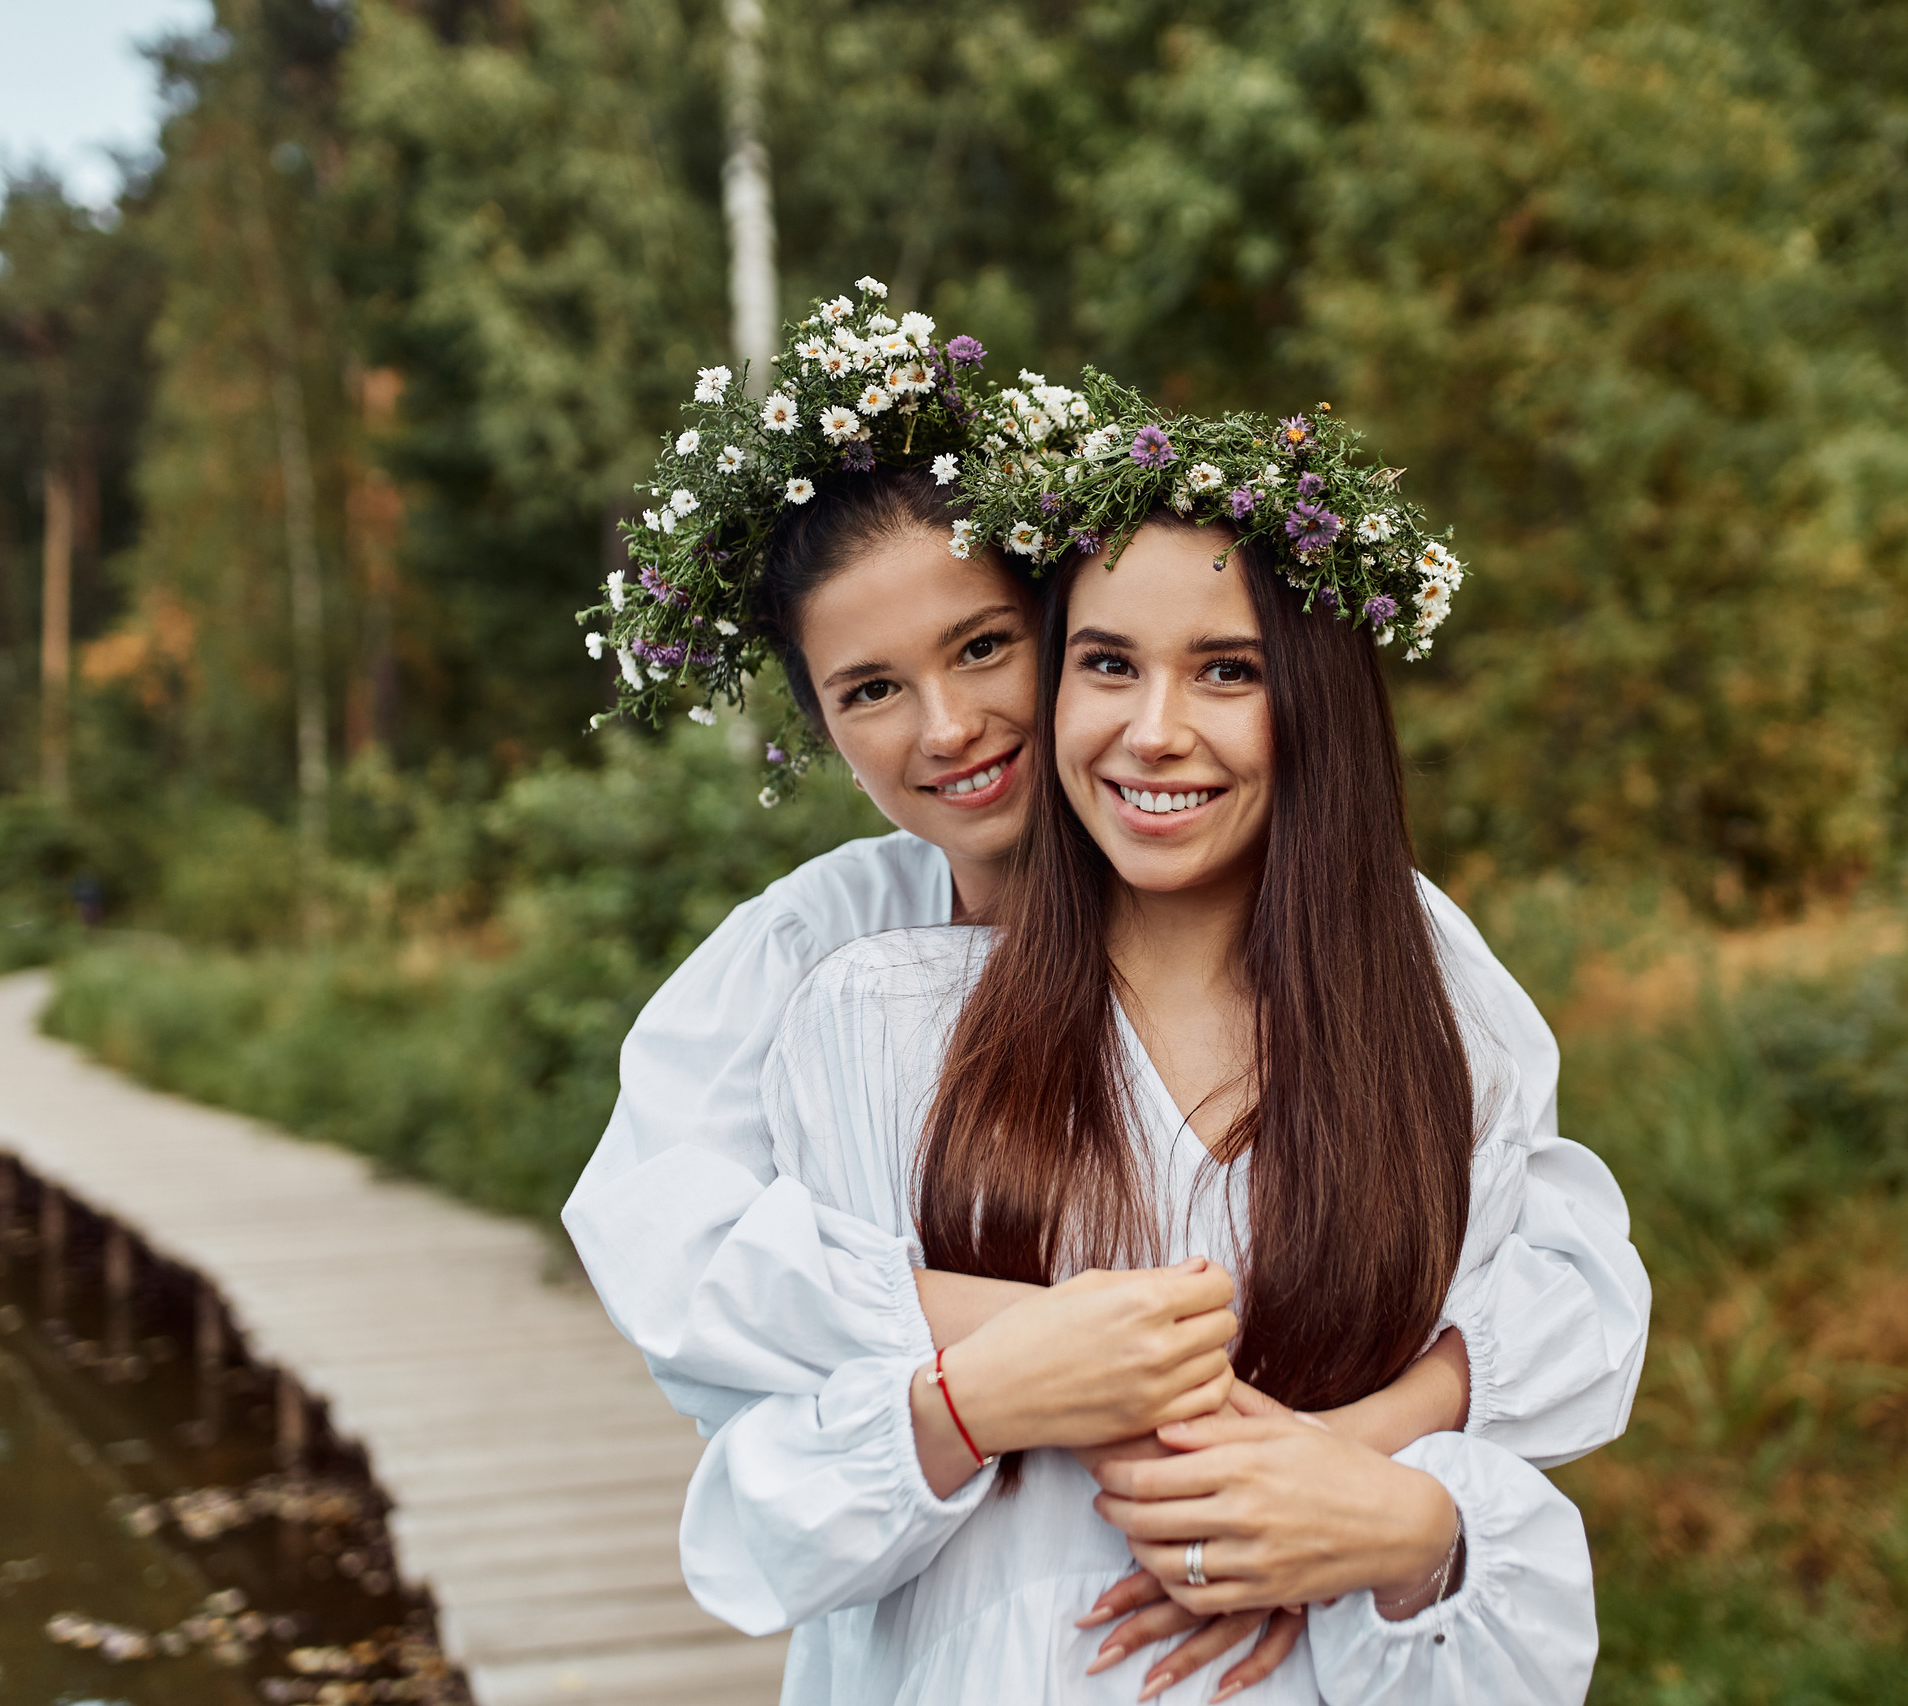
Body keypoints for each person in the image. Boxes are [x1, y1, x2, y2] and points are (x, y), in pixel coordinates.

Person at [566, 293, 1646, 1696]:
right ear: (819, 720)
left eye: (983, 646)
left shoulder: (1396, 974)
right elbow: (691, 1270)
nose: (950, 729)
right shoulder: (836, 984)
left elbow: (1558, 1284)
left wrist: (1322, 1478)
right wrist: (1027, 1354)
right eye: (872, 689)